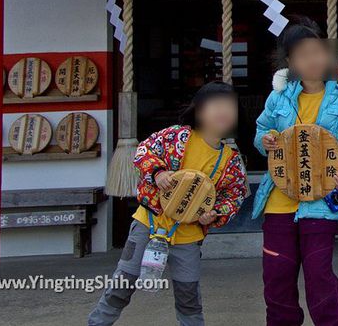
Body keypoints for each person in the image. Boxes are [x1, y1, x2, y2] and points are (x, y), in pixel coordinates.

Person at [88, 81, 248, 326]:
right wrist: (158, 172)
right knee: (122, 283)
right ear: (199, 110)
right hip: (148, 223)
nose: (223, 112)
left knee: (188, 295)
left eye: (230, 107)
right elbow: (144, 151)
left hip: (188, 235)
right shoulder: (175, 136)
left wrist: (215, 214)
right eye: (216, 105)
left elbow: (233, 196)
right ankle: (97, 323)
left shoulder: (231, 160)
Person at [252, 20, 338, 326]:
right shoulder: (278, 99)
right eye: (302, 55)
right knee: (277, 278)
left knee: (319, 277)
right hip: (279, 201)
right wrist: (265, 141)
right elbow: (262, 132)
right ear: (290, 62)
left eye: (317, 52)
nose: (312, 60)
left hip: (321, 201)